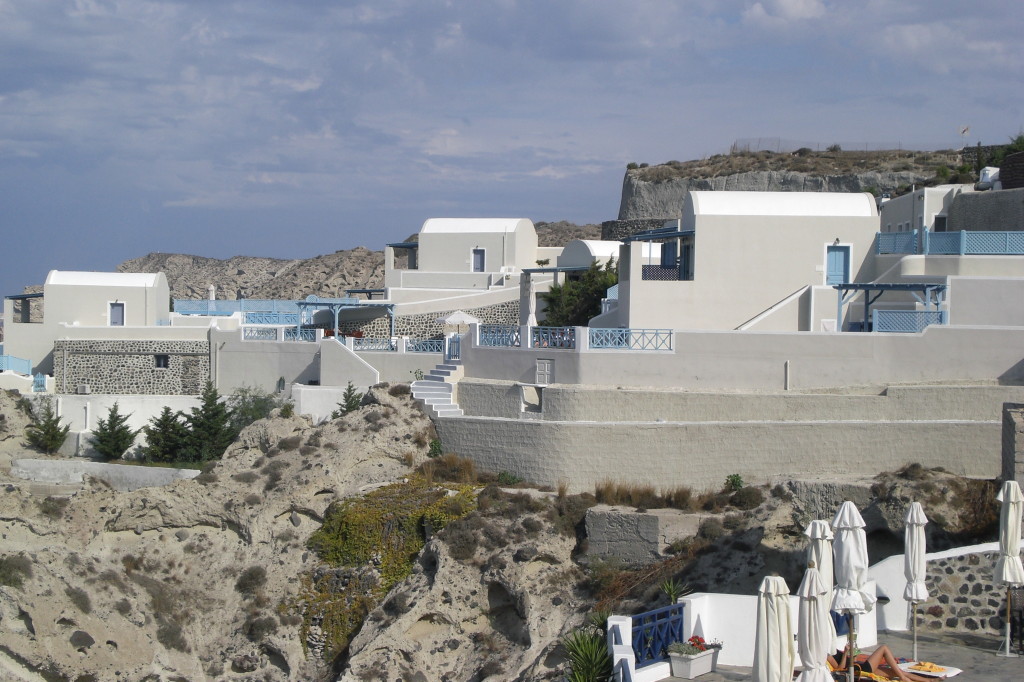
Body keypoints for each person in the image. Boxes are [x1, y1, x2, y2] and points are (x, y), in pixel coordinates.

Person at [826, 643, 944, 682]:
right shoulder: (827, 654)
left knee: (896, 672)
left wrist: (852, 656)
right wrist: (846, 653)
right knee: (884, 648)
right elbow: (839, 670)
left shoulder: (831, 648)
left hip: (858, 668)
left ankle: (930, 680)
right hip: (859, 670)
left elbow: (848, 663)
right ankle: (903, 677)